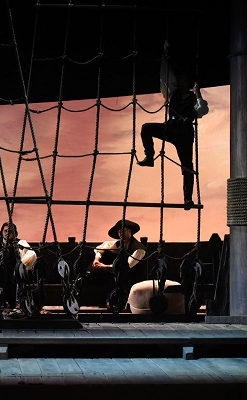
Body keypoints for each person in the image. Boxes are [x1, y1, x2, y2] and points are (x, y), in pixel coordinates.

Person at [137, 42, 209, 210]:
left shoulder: (193, 98)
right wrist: (165, 58)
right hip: (171, 128)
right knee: (146, 128)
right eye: (181, 79)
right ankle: (149, 157)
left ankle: (187, 198)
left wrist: (198, 93)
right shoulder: (173, 94)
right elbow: (166, 78)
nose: (182, 81)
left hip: (184, 134)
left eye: (185, 79)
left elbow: (202, 110)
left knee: (187, 167)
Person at [0, 222, 37, 316]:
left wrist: (20, 266)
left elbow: (32, 255)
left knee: (15, 286)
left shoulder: (21, 244)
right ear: (1, 232)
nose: (7, 233)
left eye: (10, 231)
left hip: (15, 276)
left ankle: (17, 306)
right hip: (1, 277)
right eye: (5, 231)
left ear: (15, 233)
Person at [90, 219, 148, 311]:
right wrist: (96, 260)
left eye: (123, 231)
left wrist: (104, 266)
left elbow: (127, 266)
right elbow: (101, 247)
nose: (120, 233)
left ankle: (120, 301)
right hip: (119, 276)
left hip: (133, 278)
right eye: (119, 231)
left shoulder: (139, 249)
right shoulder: (118, 244)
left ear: (130, 232)